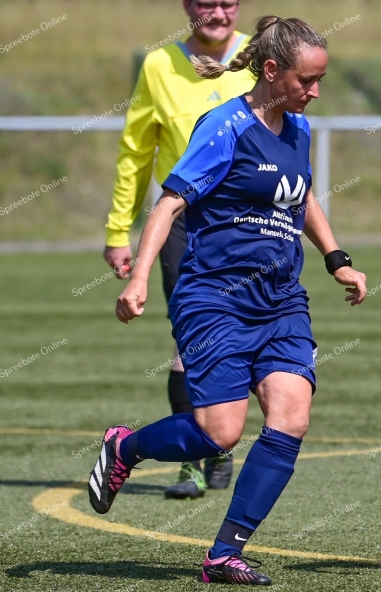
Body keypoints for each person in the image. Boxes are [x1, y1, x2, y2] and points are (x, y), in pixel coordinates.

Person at [88, 16, 367, 585]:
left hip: (283, 299)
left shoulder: (299, 129)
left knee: (291, 416)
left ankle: (223, 553)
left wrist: (336, 257)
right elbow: (168, 205)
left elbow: (302, 194)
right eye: (306, 81)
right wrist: (139, 278)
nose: (315, 92)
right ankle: (128, 446)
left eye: (320, 81)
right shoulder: (225, 127)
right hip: (215, 298)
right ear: (272, 71)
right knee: (220, 433)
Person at [103, 0, 262, 499]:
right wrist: (117, 230)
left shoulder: (261, 59)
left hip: (249, 224)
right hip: (183, 223)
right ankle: (192, 462)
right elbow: (136, 150)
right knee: (190, 340)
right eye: (205, 3)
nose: (217, 12)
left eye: (227, 3)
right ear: (187, 7)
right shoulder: (158, 64)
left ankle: (221, 435)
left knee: (245, 334)